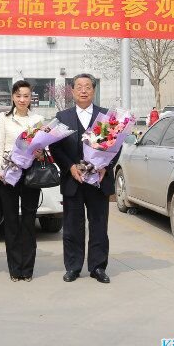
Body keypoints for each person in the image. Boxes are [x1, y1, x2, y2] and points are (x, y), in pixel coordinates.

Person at [51, 73, 119, 285]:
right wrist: (69, 166)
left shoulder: (106, 116)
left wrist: (105, 167)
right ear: (72, 91)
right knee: (72, 226)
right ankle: (73, 266)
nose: (83, 90)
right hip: (73, 180)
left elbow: (116, 146)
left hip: (98, 180)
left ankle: (98, 267)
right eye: (79, 86)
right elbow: (55, 146)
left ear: (93, 90)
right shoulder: (62, 117)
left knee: (99, 225)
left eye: (87, 86)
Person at [0, 80, 45, 282]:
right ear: (13, 97)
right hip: (8, 173)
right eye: (19, 96)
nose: (23, 100)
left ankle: (28, 268)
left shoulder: (38, 119)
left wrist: (41, 153)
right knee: (11, 221)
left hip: (31, 173)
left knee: (29, 220)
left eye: (26, 96)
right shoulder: (4, 119)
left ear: (31, 97)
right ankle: (15, 268)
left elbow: (43, 148)